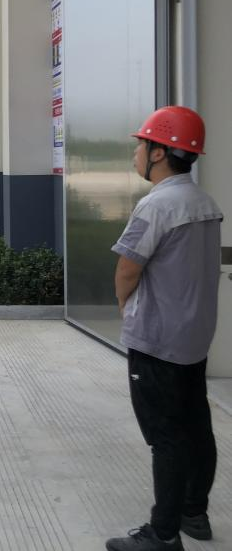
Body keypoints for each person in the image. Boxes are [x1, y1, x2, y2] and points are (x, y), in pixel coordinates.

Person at [106, 106, 223, 551]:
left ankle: (163, 533)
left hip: (157, 340)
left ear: (159, 153)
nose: (137, 152)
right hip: (193, 338)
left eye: (142, 144)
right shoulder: (204, 203)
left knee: (166, 437)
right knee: (196, 424)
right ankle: (194, 513)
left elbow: (127, 269)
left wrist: (126, 307)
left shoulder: (156, 205)